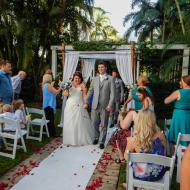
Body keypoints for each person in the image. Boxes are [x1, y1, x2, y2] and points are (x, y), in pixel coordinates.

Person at [123, 109, 166, 185]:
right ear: (153, 121)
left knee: (130, 163)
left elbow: (126, 157)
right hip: (157, 174)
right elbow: (164, 153)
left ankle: (130, 184)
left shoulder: (133, 140)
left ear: (138, 121)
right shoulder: (161, 136)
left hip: (139, 174)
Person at [84, 63, 115, 149]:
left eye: (102, 67)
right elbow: (90, 91)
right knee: (94, 123)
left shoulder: (110, 79)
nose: (100, 68)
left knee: (104, 124)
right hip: (94, 105)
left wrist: (110, 104)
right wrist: (86, 101)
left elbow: (113, 93)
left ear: (105, 68)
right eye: (99, 67)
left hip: (105, 106)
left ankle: (102, 141)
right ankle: (96, 137)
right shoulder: (94, 79)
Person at [63, 71, 94, 146]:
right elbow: (65, 94)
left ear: (81, 79)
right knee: (70, 122)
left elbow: (84, 95)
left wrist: (86, 103)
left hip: (79, 105)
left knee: (79, 123)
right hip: (70, 105)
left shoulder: (83, 85)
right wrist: (66, 89)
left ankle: (79, 140)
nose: (77, 80)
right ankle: (70, 140)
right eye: (76, 78)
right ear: (73, 78)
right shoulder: (69, 84)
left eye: (79, 78)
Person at [164, 75, 190, 151]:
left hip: (179, 116)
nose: (180, 82)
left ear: (185, 83)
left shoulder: (179, 92)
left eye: (181, 81)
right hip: (188, 116)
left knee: (174, 137)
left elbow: (166, 101)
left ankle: (173, 158)